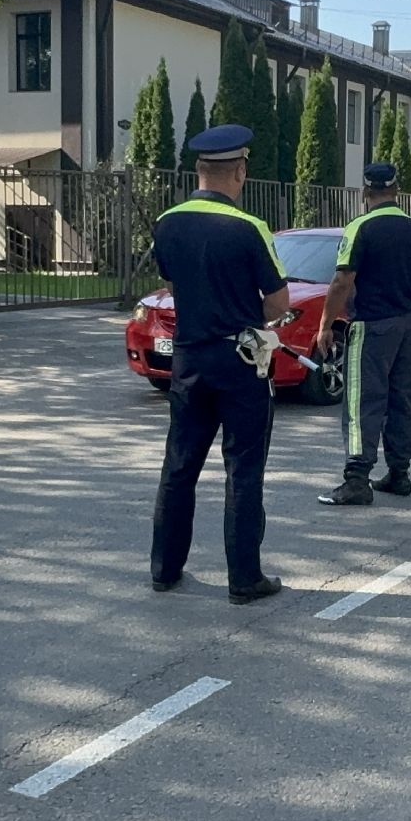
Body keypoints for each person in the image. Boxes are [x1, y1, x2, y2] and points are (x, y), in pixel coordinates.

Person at [149, 124, 290, 605]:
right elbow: (277, 302)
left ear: (199, 171)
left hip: (188, 358)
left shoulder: (167, 221)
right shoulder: (249, 229)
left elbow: (169, 279)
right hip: (239, 359)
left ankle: (165, 569)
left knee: (180, 464)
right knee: (243, 468)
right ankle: (244, 579)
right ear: (241, 172)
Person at [315, 163, 411, 506]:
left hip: (371, 324)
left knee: (362, 399)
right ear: (396, 190)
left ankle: (356, 478)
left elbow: (342, 280)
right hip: (406, 323)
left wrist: (325, 324)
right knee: (400, 397)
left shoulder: (359, 228)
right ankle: (399, 473)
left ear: (366, 192)